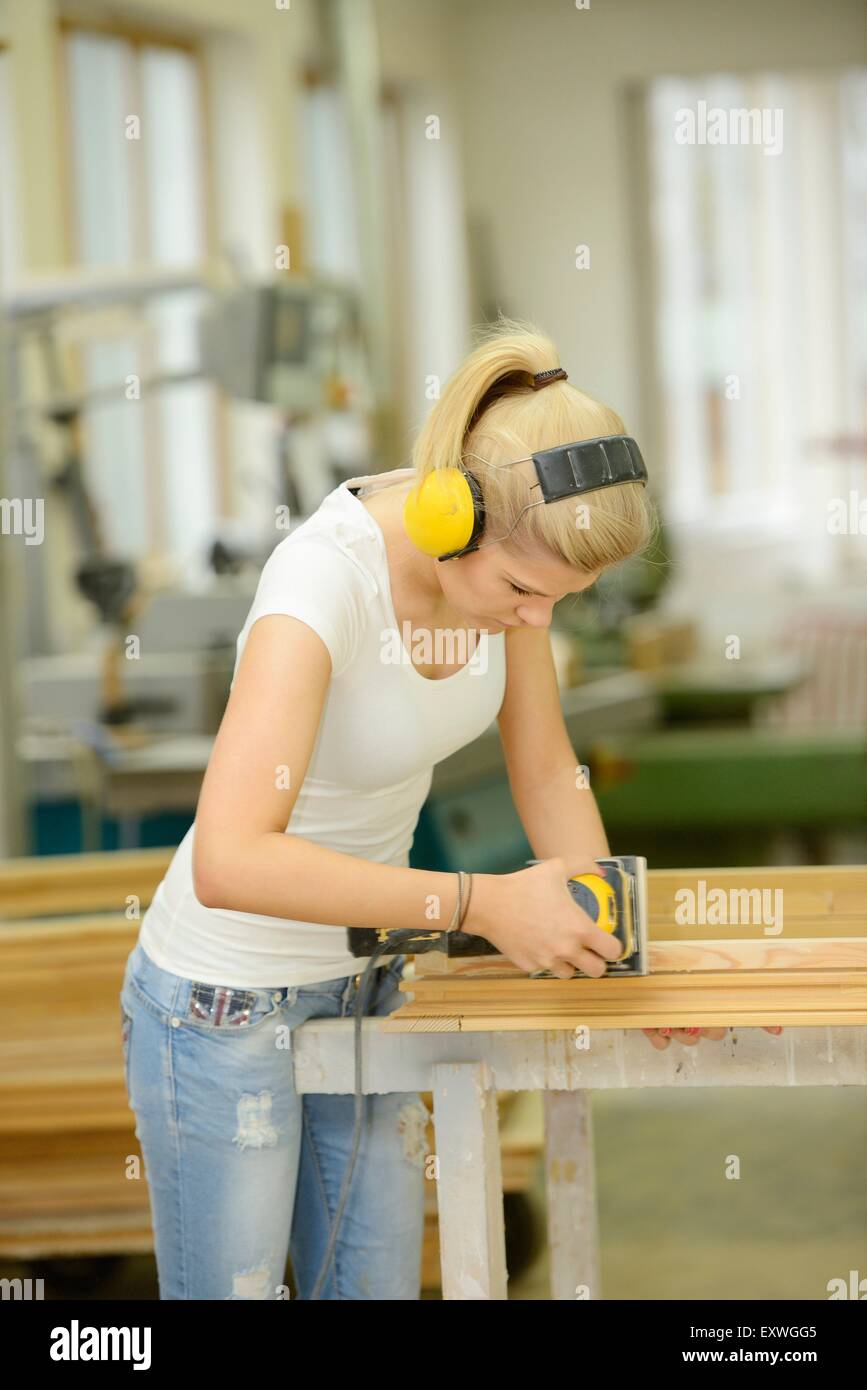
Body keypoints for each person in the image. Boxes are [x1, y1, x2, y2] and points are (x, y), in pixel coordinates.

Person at [118, 315, 774, 1301]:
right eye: (521, 590)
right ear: (447, 520)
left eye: (564, 598)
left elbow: (548, 770)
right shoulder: (319, 584)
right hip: (223, 1003)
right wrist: (482, 903)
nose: (535, 620)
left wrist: (617, 957)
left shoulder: (508, 583)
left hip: (366, 988)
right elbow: (231, 859)